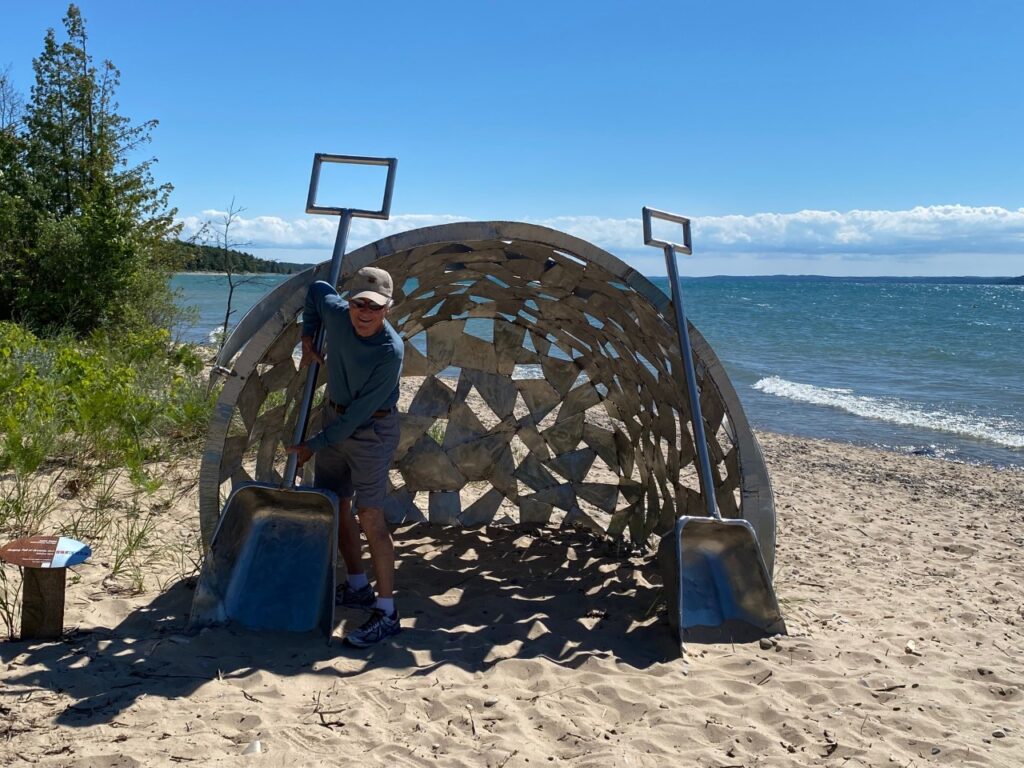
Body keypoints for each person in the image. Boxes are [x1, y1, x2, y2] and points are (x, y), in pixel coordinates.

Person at [287, 266, 404, 648]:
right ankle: (357, 587)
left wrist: (312, 445)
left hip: (371, 429)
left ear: (388, 309)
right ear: (350, 302)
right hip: (333, 417)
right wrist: (307, 337)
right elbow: (317, 290)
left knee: (370, 516)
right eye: (359, 304)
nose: (365, 313)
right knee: (335, 504)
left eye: (375, 306)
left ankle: (387, 612)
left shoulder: (390, 351)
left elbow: (358, 416)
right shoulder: (338, 315)